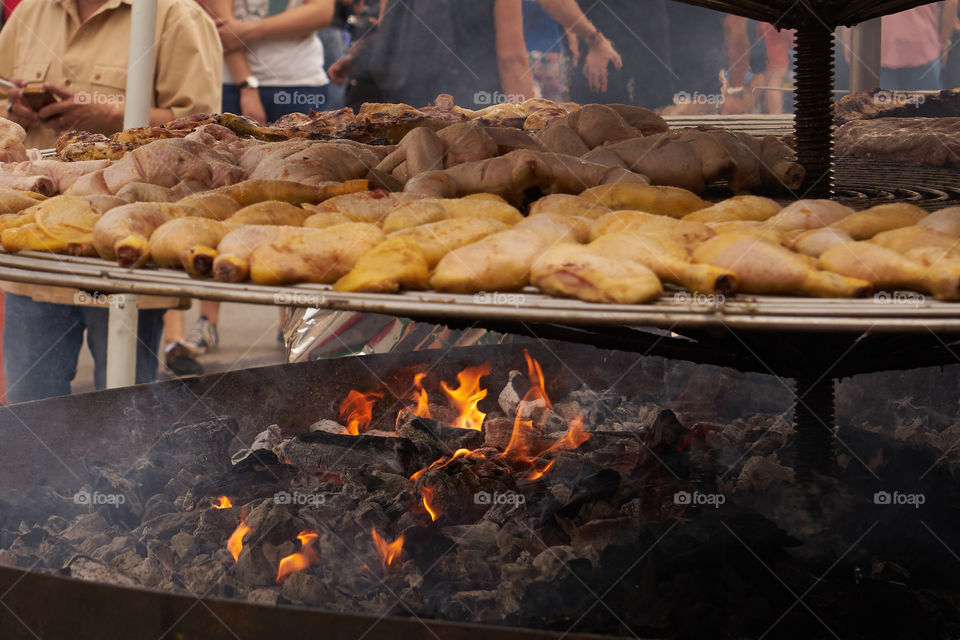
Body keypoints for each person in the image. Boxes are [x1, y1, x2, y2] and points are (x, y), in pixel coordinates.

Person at [0, 0, 222, 402]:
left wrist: (106, 112)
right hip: (34, 259)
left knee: (122, 414)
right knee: (28, 413)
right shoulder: (31, 13)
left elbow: (206, 132)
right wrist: (14, 111)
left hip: (123, 255)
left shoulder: (175, 15)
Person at [330, 0, 534, 109]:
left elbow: (388, 31)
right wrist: (530, 122)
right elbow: (511, 59)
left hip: (406, 106)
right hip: (475, 110)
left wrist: (358, 61)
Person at [205, 0, 334, 124]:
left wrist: (247, 30)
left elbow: (322, 12)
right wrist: (246, 87)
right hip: (233, 87)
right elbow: (223, 30)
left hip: (300, 83)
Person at [881, 5, 944, 91]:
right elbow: (952, 3)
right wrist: (945, 41)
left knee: (882, 102)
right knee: (926, 103)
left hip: (882, 48)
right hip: (923, 48)